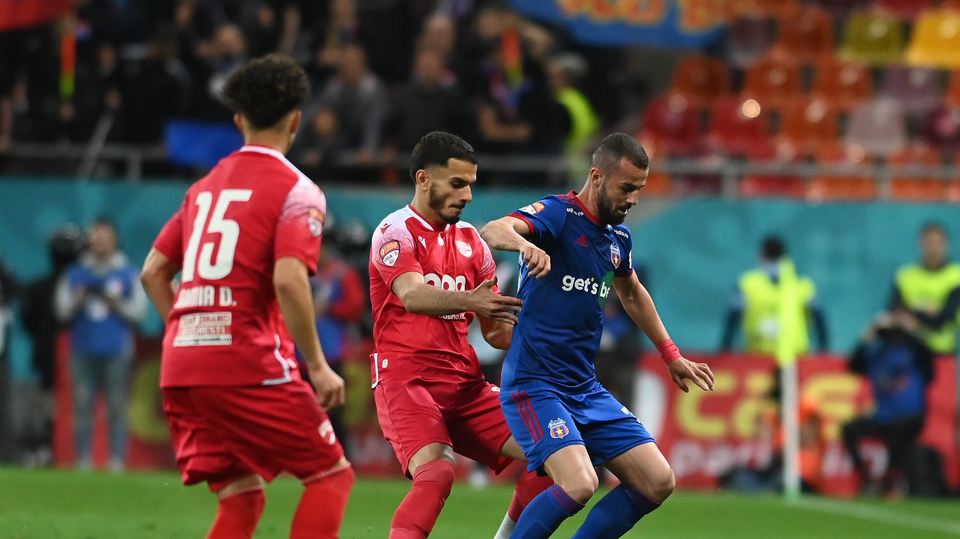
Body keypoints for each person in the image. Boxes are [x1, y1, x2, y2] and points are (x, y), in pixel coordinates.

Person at [139, 54, 353, 539]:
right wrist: (317, 366)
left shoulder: (203, 188)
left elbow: (154, 272)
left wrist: (188, 330)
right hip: (245, 361)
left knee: (242, 496)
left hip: (181, 368)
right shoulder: (298, 190)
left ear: (239, 120)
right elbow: (288, 279)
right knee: (331, 476)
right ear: (296, 120)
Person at [479, 133, 715, 538]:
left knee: (657, 480)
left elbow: (632, 293)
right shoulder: (557, 215)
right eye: (627, 188)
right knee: (580, 483)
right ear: (596, 176)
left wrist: (670, 353)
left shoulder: (617, 239)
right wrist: (523, 243)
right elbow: (493, 229)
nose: (634, 200)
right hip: (536, 386)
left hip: (584, 389)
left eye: (639, 190)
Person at [368, 131, 552, 539]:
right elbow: (412, 295)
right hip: (406, 379)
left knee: (558, 455)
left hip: (465, 385)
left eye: (471, 183)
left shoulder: (473, 243)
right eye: (457, 183)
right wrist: (473, 300)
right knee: (437, 471)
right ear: (423, 179)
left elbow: (496, 333)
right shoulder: (395, 232)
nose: (467, 194)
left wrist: (549, 332)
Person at [55, 219, 147, 472]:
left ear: (115, 240)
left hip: (117, 350)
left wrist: (115, 304)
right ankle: (82, 461)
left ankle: (116, 461)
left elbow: (139, 313)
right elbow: (61, 311)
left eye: (105, 236)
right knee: (82, 405)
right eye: (96, 237)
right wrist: (78, 300)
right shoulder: (75, 273)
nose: (100, 241)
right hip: (82, 350)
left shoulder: (128, 272)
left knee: (117, 406)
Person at [842, 312, 934, 498]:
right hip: (884, 416)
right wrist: (867, 335)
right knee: (850, 429)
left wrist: (912, 329)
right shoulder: (877, 355)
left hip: (910, 415)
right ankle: (867, 479)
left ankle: (891, 481)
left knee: (898, 434)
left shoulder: (913, 352)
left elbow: (929, 363)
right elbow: (852, 365)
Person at [719, 236, 829, 356]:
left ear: (763, 254)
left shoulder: (747, 284)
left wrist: (725, 350)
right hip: (796, 358)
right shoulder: (803, 286)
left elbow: (732, 318)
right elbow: (820, 319)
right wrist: (824, 352)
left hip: (756, 360)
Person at [889, 222, 960, 356]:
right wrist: (926, 311)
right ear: (920, 244)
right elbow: (894, 311)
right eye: (929, 242)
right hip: (908, 350)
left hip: (942, 352)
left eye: (937, 243)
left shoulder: (956, 276)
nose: (933, 248)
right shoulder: (906, 275)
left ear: (947, 245)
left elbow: (944, 318)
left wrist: (912, 316)